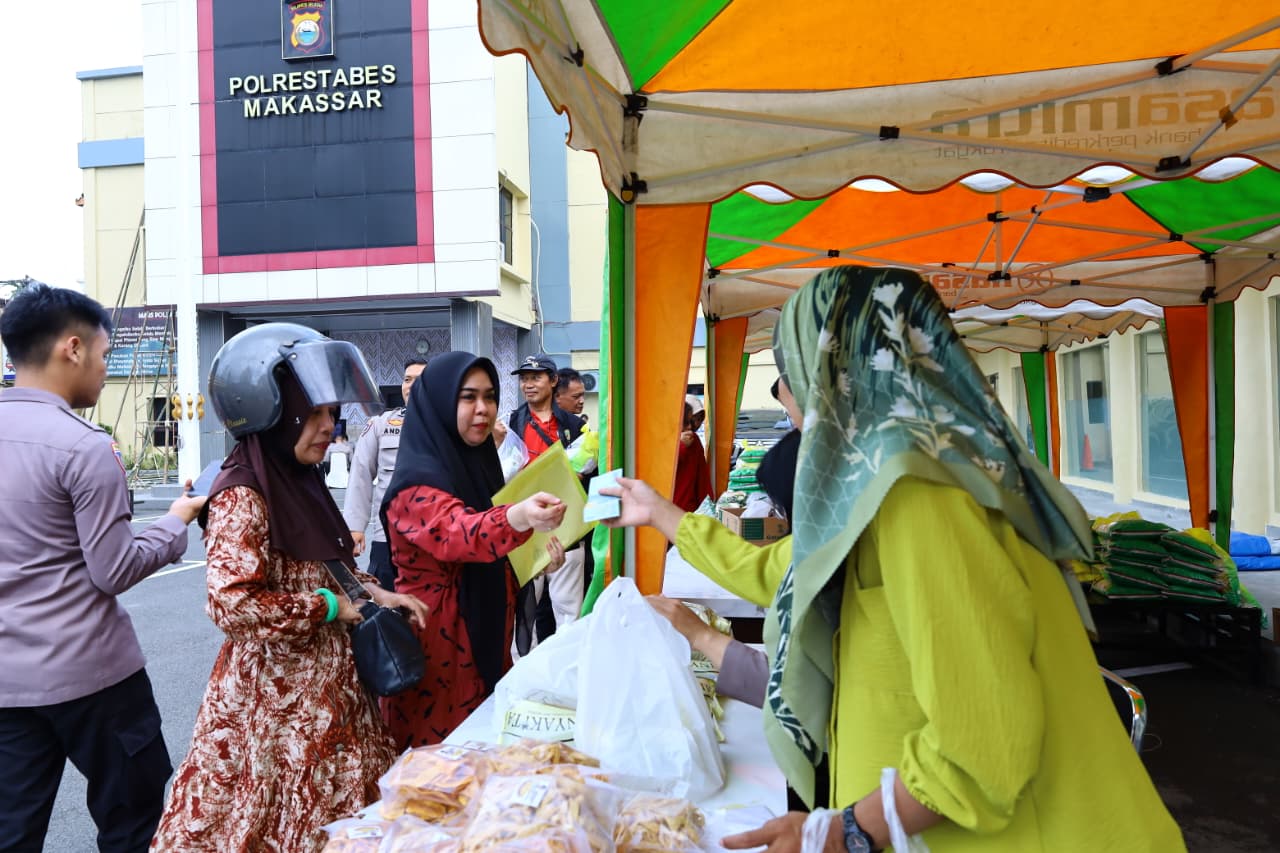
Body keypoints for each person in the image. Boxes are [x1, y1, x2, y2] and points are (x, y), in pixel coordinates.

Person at [605, 265, 1184, 851]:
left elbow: (981, 739)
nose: (788, 400)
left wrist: (848, 831)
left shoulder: (921, 492)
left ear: (832, 372)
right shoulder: (876, 490)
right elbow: (782, 572)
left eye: (790, 374)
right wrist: (661, 513)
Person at [151, 324, 429, 853]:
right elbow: (232, 603)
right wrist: (326, 608)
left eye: (331, 413)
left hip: (331, 697)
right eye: (313, 414)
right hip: (275, 710)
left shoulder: (297, 479)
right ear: (273, 414)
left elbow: (325, 567)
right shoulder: (243, 494)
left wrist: (375, 594)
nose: (328, 427)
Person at [0, 283, 205, 853]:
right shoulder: (84, 445)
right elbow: (113, 569)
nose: (105, 369)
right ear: (72, 348)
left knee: (12, 829)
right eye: (105, 354)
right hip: (94, 676)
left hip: (8, 682)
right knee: (133, 819)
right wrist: (175, 522)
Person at [379, 351, 569, 748]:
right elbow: (460, 534)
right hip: (439, 655)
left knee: (481, 758)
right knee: (443, 768)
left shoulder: (475, 465)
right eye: (468, 397)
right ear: (440, 404)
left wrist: (535, 562)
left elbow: (491, 553)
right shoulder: (414, 484)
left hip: (483, 641)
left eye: (490, 396)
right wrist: (519, 515)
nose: (483, 409)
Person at [503, 353, 587, 647]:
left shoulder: (574, 426)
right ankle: (523, 667)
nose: (528, 384)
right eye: (524, 379)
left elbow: (590, 471)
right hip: (526, 529)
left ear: (553, 381)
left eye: (535, 378)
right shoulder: (511, 424)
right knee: (523, 611)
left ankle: (567, 665)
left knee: (569, 611)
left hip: (567, 527)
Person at [343, 357, 427, 589]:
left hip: (433, 535)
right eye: (407, 380)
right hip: (387, 536)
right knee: (387, 600)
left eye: (420, 380)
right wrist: (355, 526)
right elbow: (360, 474)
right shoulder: (381, 424)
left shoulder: (449, 425)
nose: (411, 385)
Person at [673, 394, 712, 513]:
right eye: (689, 420)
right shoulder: (667, 439)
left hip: (690, 510)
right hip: (671, 509)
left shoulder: (694, 440)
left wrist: (707, 504)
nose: (694, 424)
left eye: (700, 419)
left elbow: (702, 477)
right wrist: (681, 446)